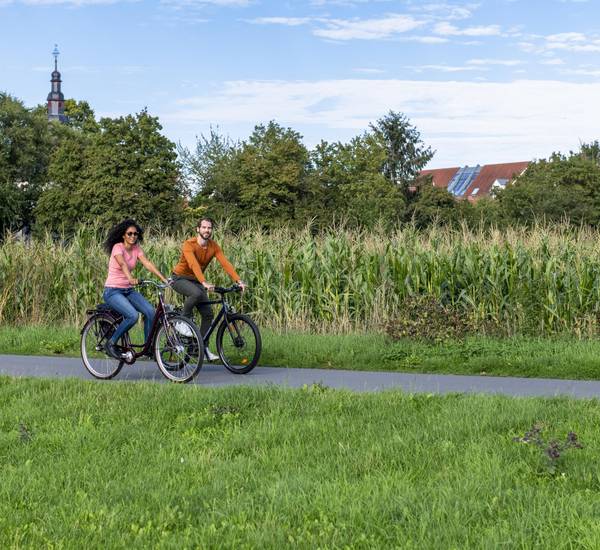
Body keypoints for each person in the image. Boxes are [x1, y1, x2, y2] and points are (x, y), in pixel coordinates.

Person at [171, 217, 246, 360]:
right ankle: (182, 321)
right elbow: (193, 264)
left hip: (196, 281)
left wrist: (238, 280)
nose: (207, 230)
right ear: (198, 229)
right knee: (196, 293)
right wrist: (204, 282)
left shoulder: (213, 246)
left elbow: (225, 263)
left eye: (209, 228)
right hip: (179, 278)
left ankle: (200, 349)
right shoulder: (189, 244)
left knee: (208, 315)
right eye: (204, 227)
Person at [103, 219, 169, 359]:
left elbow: (147, 264)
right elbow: (122, 264)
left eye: (135, 234)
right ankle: (111, 343)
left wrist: (164, 279)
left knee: (150, 312)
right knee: (132, 316)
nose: (133, 236)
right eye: (130, 234)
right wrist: (130, 278)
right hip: (113, 291)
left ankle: (148, 347)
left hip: (128, 291)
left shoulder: (136, 249)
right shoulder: (118, 247)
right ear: (123, 235)